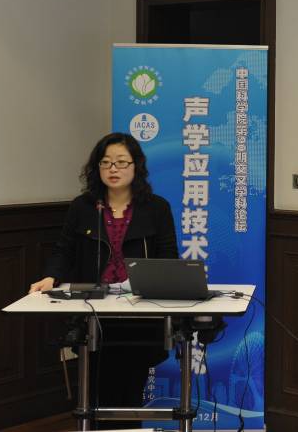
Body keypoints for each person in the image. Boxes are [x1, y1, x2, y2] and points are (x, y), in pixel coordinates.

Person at [29, 132, 178, 427]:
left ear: (136, 166)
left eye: (121, 162)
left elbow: (168, 256)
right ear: (97, 168)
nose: (113, 169)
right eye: (106, 162)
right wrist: (50, 276)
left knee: (130, 389)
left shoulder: (156, 207)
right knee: (96, 389)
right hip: (93, 312)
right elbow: (64, 249)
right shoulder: (83, 207)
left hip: (139, 313)